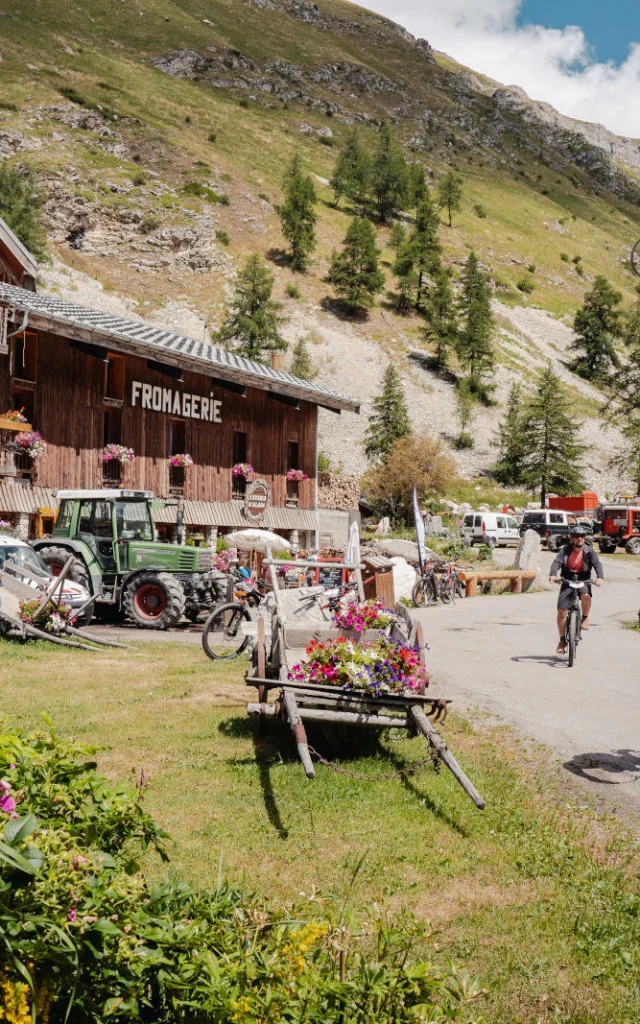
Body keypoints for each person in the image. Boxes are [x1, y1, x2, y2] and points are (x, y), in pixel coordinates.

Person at [549, 526, 604, 655]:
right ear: (571, 538)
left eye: (582, 536)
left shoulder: (589, 551)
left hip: (583, 580)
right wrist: (552, 574)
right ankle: (562, 641)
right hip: (568, 580)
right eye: (576, 536)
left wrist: (600, 577)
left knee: (586, 595)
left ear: (584, 538)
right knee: (562, 611)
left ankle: (584, 618)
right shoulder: (565, 550)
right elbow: (557, 562)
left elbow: (597, 564)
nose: (579, 539)